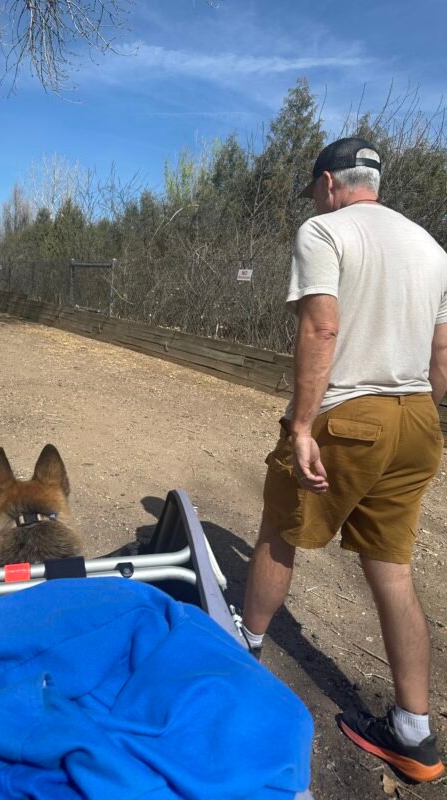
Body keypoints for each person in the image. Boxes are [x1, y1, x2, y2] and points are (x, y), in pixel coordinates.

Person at [241, 137, 447, 783]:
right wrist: (423, 414)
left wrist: (304, 425)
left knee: (280, 534)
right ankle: (414, 734)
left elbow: (321, 327)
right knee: (391, 571)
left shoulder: (324, 230)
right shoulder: (432, 249)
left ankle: (239, 652)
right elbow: (443, 353)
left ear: (329, 183)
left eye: (314, 191)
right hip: (418, 415)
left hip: (349, 414)